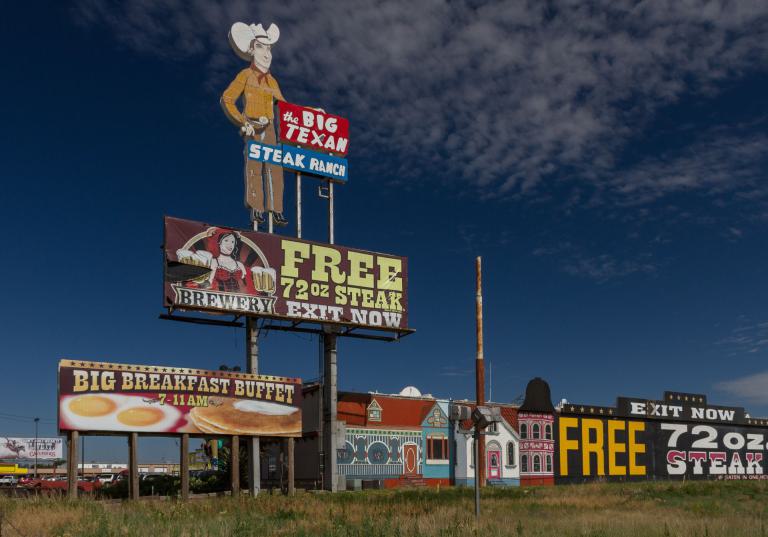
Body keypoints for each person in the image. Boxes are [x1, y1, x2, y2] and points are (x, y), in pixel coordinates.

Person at [221, 22, 288, 226]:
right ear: (251, 50)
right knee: (254, 167)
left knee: (275, 168)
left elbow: (285, 107)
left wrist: (311, 112)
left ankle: (276, 210)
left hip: (270, 128)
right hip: (252, 125)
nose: (266, 53)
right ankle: (256, 208)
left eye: (268, 48)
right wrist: (243, 121)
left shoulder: (272, 81)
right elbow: (227, 98)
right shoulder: (245, 75)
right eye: (260, 47)